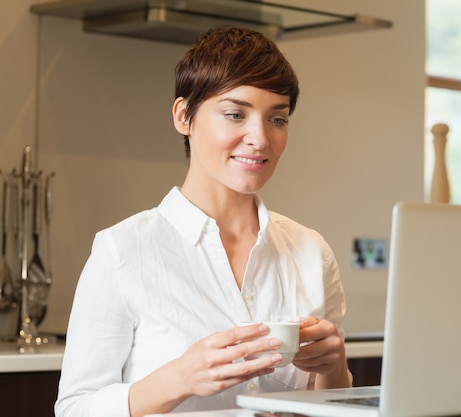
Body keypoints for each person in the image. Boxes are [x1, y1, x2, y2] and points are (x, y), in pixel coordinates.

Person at [55, 26, 351, 417]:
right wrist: (179, 378)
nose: (260, 138)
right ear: (184, 117)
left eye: (277, 119)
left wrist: (334, 368)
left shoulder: (311, 251)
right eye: (235, 114)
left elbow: (331, 404)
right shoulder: (123, 249)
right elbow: (74, 408)